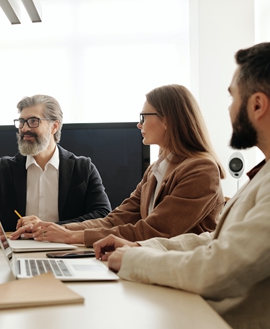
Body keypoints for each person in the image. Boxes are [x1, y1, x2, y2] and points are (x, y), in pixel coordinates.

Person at [93, 42, 270, 329]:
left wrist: (136, 259)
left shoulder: (205, 169)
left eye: (232, 98)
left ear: (257, 105)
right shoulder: (262, 173)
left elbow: (220, 267)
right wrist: (140, 248)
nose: (228, 109)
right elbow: (213, 240)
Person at [12, 85, 225, 247]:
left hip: (181, 275)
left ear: (167, 120)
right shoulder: (155, 170)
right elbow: (115, 219)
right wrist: (56, 229)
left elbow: (155, 231)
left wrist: (72, 236)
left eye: (144, 116)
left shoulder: (201, 170)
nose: (139, 124)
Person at [0, 94, 111, 231]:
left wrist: (50, 228)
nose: (24, 129)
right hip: (18, 250)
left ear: (54, 126)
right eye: (22, 122)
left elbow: (103, 214)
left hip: (68, 250)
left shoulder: (83, 168)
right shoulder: (5, 168)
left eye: (33, 121)